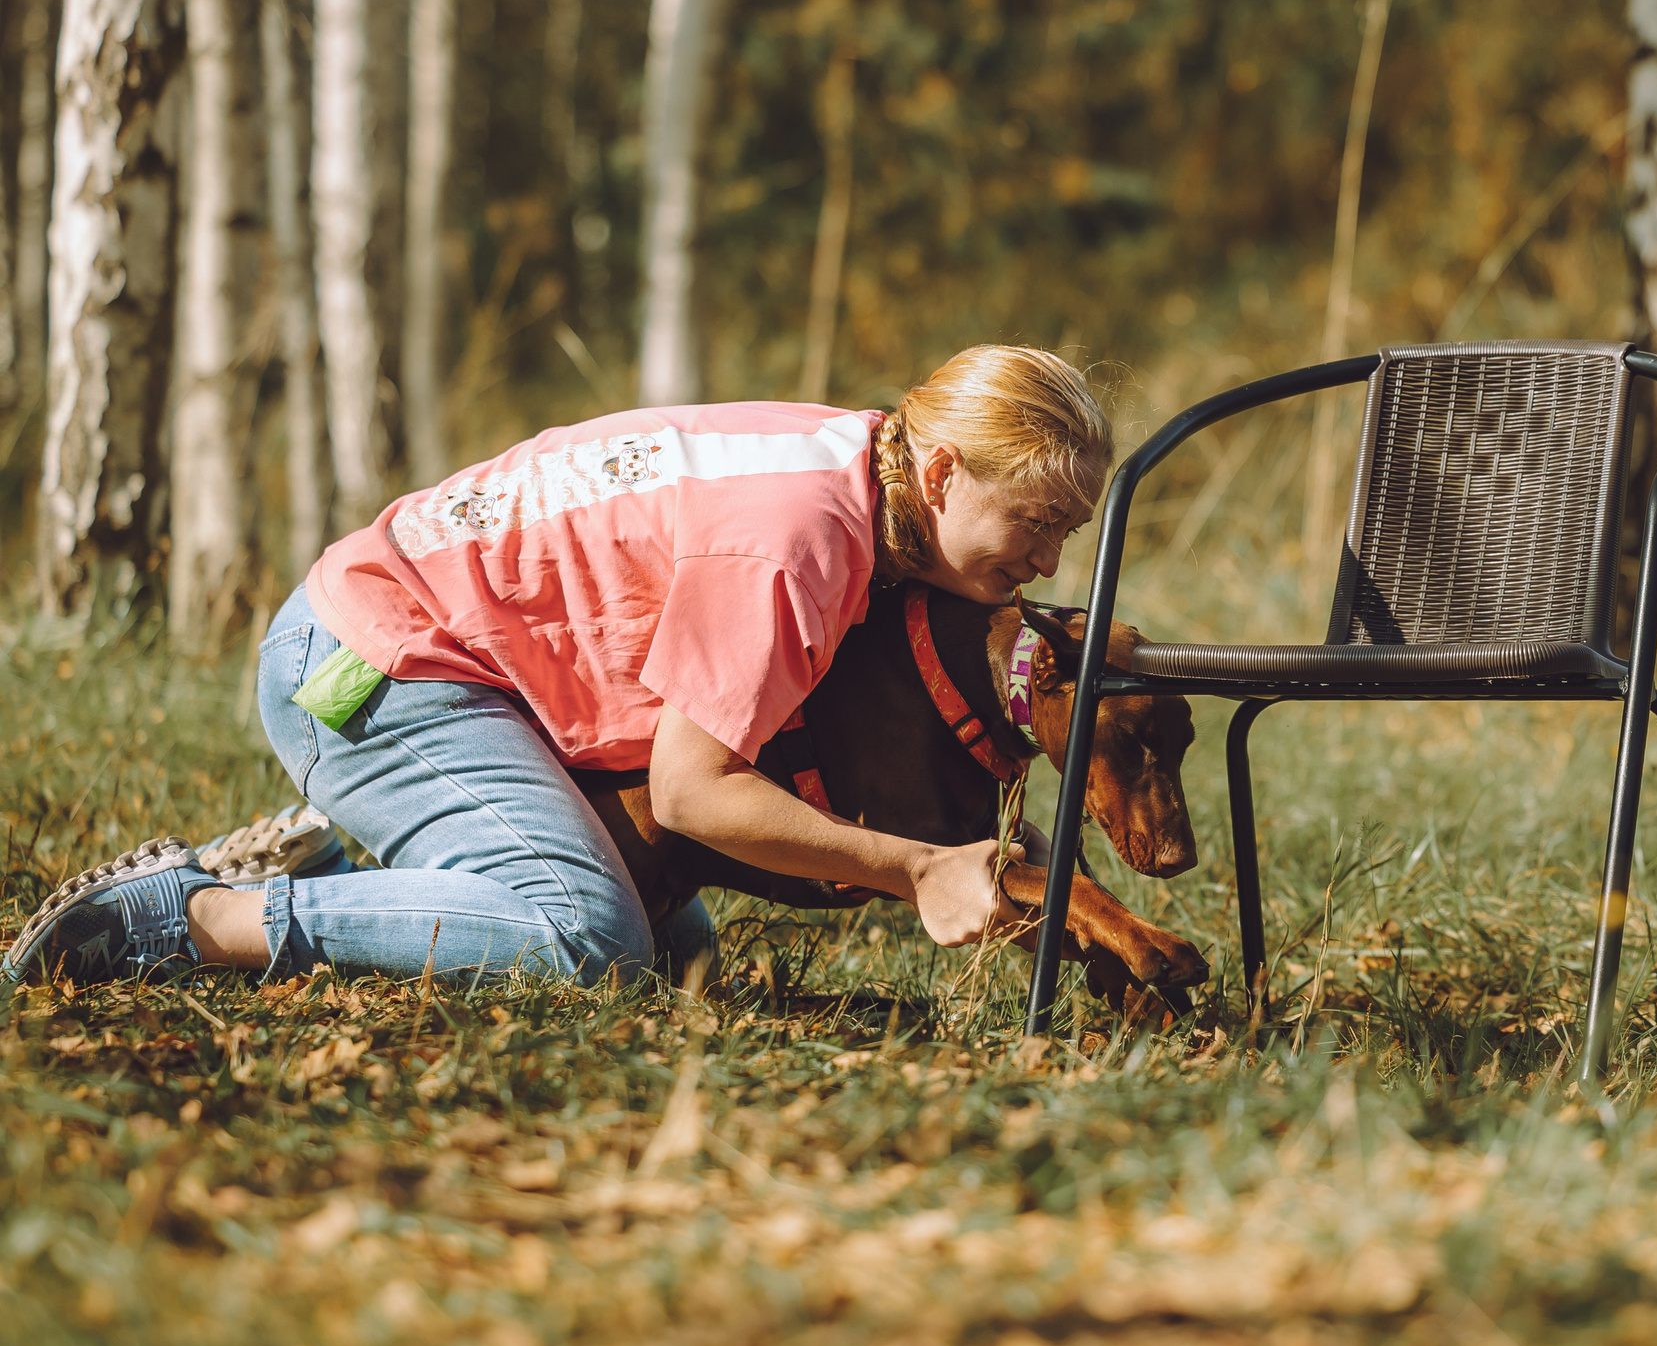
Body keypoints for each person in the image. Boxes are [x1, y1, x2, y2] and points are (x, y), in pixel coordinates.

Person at [3, 346, 1111, 988]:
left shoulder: (854, 454)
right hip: (367, 666)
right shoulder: (798, 539)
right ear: (944, 472)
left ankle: (332, 864)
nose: (1049, 560)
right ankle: (188, 917)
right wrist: (917, 869)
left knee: (673, 955)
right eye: (1034, 520)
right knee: (584, 939)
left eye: (1068, 531)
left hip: (433, 658)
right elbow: (693, 792)